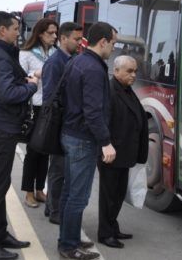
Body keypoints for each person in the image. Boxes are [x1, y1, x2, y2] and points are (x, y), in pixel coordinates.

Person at [0, 11, 38, 260]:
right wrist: (32, 85)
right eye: (14, 29)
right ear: (2, 30)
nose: (17, 33)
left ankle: (0, 234)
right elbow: (9, 94)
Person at [58, 22, 117, 260]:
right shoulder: (93, 68)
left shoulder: (76, 61)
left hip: (70, 133)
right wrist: (106, 142)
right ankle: (69, 246)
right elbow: (93, 111)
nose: (114, 48)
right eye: (113, 43)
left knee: (68, 192)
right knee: (78, 196)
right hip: (83, 138)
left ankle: (67, 238)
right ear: (102, 41)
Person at [97, 55, 148, 249]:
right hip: (113, 153)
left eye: (135, 71)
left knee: (118, 195)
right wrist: (106, 146)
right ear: (116, 71)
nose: (133, 75)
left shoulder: (127, 90)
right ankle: (105, 233)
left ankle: (112, 226)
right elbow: (104, 122)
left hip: (125, 153)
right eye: (129, 71)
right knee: (109, 196)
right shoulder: (110, 91)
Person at [41, 22, 83, 225]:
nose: (79, 43)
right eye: (76, 39)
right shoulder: (54, 62)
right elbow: (49, 95)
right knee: (58, 169)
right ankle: (55, 209)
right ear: (63, 39)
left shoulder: (74, 59)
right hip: (58, 123)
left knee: (63, 169)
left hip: (69, 122)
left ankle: (52, 206)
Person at [19, 18, 58, 209]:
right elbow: (20, 78)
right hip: (34, 106)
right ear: (40, 33)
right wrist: (36, 75)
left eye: (56, 33)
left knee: (45, 150)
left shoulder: (55, 53)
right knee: (33, 151)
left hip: (50, 106)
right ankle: (28, 192)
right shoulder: (26, 53)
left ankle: (40, 189)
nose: (54, 36)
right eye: (50, 33)